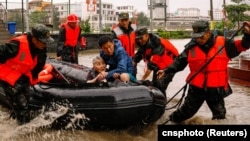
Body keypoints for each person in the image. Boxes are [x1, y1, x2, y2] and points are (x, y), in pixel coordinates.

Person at [157, 20, 250, 124]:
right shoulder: (190, 47)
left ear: (208, 33)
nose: (199, 39)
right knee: (185, 113)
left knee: (220, 117)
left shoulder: (224, 44)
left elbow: (243, 45)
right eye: (196, 37)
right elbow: (179, 62)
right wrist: (166, 71)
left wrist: (248, 34)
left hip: (215, 89)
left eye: (201, 36)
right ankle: (165, 125)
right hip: (196, 89)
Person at [0, 24, 54, 124]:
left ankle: (14, 119)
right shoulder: (17, 45)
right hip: (8, 78)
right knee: (21, 105)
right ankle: (23, 131)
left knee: (27, 100)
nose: (46, 45)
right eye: (44, 42)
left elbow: (38, 65)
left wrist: (33, 80)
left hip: (22, 76)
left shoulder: (41, 48)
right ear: (34, 40)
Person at [133, 27, 179, 96]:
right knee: (154, 85)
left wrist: (142, 80)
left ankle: (162, 105)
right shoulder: (144, 43)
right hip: (159, 66)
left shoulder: (157, 44)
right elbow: (138, 55)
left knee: (160, 86)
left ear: (147, 35)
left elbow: (151, 67)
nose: (139, 40)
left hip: (169, 66)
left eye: (141, 38)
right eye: (138, 39)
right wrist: (134, 63)